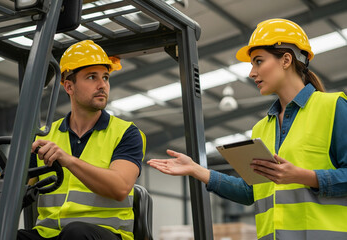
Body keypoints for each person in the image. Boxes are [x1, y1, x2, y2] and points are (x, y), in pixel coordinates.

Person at [148, 18, 347, 240]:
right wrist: (197, 170)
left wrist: (304, 176)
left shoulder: (332, 107)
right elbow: (250, 191)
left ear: (286, 60)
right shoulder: (261, 129)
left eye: (258, 61)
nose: (252, 73)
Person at [0, 40, 146, 240]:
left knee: (76, 232)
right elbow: (14, 197)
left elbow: (120, 188)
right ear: (69, 86)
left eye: (105, 77)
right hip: (49, 234)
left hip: (106, 234)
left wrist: (68, 160)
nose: (102, 85)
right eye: (92, 77)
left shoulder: (126, 133)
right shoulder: (45, 136)